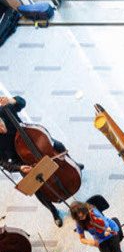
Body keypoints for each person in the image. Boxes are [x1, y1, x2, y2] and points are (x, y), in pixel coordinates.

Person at [0, 94, 78, 227]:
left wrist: (12, 100)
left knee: (57, 146)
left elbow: (21, 103)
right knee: (37, 188)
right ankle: (54, 211)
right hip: (21, 160)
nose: (2, 130)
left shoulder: (4, 110)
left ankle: (71, 165)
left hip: (33, 141)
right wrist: (19, 168)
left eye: (1, 125)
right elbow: (3, 163)